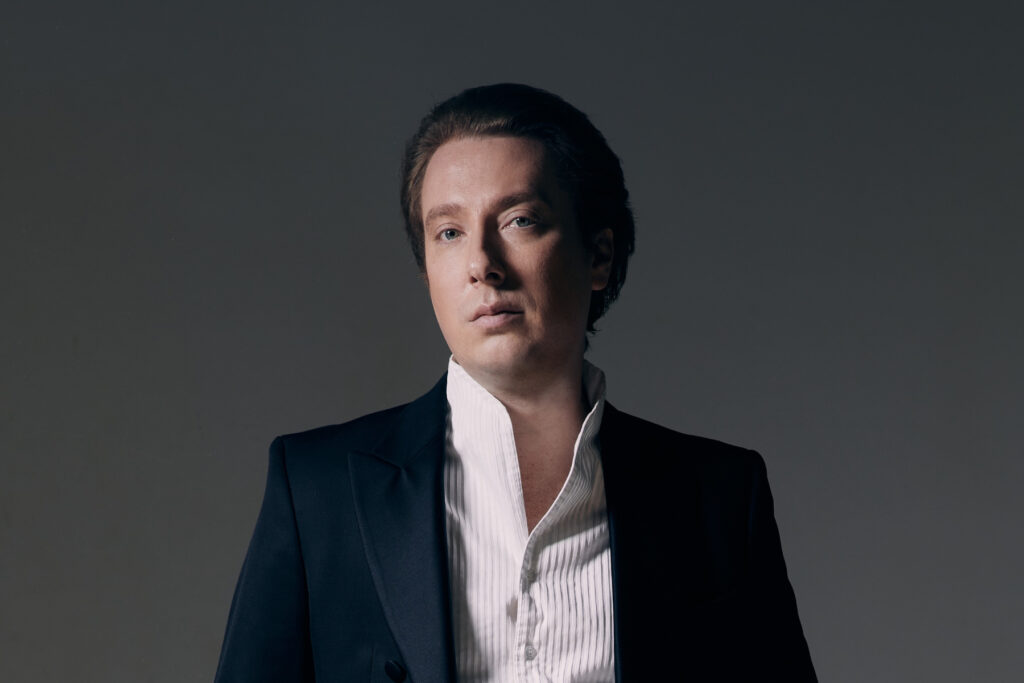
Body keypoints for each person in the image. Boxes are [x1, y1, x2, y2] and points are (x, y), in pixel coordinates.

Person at [214, 83, 817, 682]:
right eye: (449, 232)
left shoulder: (717, 499)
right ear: (427, 271)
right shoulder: (318, 491)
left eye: (520, 220)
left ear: (599, 255)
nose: (482, 263)